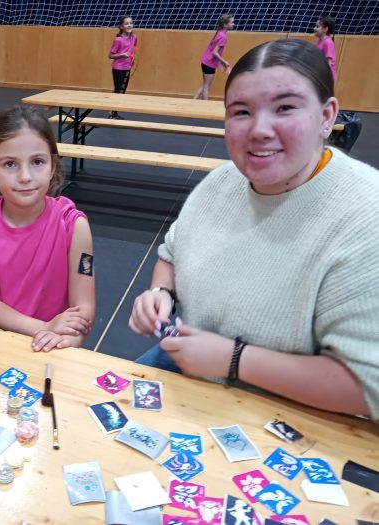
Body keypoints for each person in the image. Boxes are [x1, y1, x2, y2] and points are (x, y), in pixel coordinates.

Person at [129, 39, 379, 423]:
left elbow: (369, 387)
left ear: (327, 116)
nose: (260, 130)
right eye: (241, 112)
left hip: (296, 414)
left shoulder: (366, 214)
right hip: (192, 369)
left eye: (285, 108)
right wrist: (161, 293)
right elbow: (171, 255)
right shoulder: (222, 182)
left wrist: (235, 360)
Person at [0, 105, 95, 351]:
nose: (25, 176)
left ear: (53, 165)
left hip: (49, 344)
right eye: (10, 164)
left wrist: (67, 339)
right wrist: (44, 327)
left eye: (37, 162)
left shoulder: (74, 226)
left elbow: (84, 307)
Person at [194, 13, 234, 100]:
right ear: (225, 25)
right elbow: (215, 53)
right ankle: (205, 105)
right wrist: (224, 62)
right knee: (207, 87)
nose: (233, 24)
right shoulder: (223, 37)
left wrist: (222, 62)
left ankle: (194, 101)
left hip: (205, 61)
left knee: (205, 84)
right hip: (209, 63)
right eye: (231, 22)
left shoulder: (219, 32)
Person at [107, 15, 138, 119]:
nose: (129, 25)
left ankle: (114, 112)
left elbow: (134, 48)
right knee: (118, 90)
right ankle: (112, 113)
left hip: (127, 68)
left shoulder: (134, 37)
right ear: (121, 27)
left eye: (131, 23)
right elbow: (110, 55)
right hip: (118, 69)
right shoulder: (118, 40)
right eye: (126, 23)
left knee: (122, 91)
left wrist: (133, 56)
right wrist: (121, 55)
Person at [314, 16, 337, 82]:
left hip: (326, 78)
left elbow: (328, 64)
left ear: (325, 29)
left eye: (317, 27)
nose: (314, 28)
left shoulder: (328, 43)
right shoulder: (321, 40)